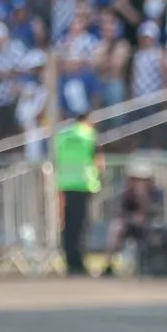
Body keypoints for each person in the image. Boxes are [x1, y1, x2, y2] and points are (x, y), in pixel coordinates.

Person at [54, 111, 104, 277]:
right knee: (81, 226)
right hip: (83, 185)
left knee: (68, 227)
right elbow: (98, 161)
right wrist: (99, 176)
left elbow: (55, 159)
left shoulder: (62, 136)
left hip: (65, 184)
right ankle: (78, 262)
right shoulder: (89, 135)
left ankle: (69, 261)